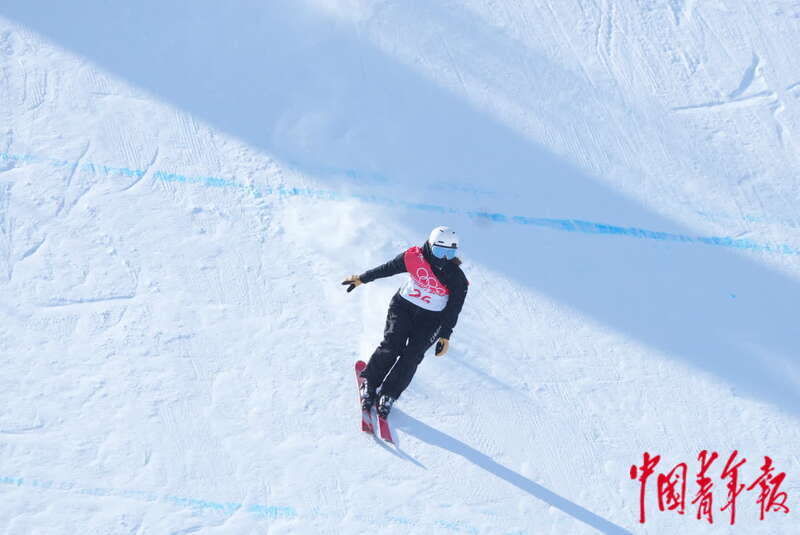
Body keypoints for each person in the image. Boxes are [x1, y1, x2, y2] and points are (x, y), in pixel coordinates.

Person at [342, 226, 469, 417]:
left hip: (432, 319)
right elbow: (387, 269)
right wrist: (361, 279)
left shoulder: (457, 278)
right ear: (430, 245)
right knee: (392, 344)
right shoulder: (413, 258)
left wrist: (445, 335)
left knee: (412, 356)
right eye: (439, 251)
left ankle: (389, 394)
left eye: (449, 253)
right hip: (404, 307)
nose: (443, 259)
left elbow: (454, 308)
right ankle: (370, 382)